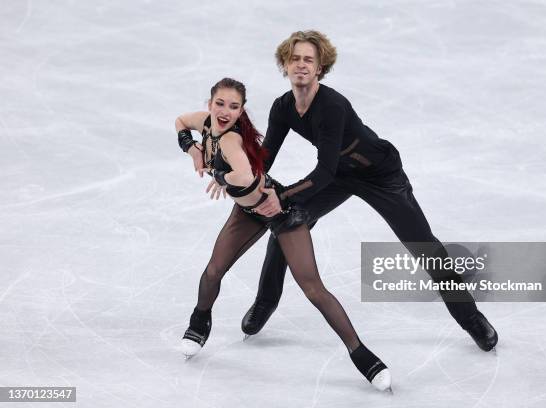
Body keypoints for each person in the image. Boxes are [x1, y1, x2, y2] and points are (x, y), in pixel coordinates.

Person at [239, 30, 498, 352]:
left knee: (423, 245)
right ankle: (265, 301)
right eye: (295, 59)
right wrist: (237, 172)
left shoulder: (332, 105)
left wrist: (284, 195)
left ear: (320, 67)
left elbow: (323, 171)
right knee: (287, 224)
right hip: (339, 175)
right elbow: (264, 159)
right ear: (284, 64)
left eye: (309, 59)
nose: (301, 65)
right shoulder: (283, 107)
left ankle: (470, 317)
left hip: (380, 175)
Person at [175, 78, 392, 392]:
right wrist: (192, 148)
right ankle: (200, 321)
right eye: (220, 104)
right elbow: (180, 122)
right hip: (247, 212)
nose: (225, 111)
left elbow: (244, 175)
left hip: (281, 212)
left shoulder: (231, 141)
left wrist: (220, 175)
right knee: (213, 271)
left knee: (313, 288)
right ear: (209, 104)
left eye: (234, 107)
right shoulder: (204, 123)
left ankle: (361, 354)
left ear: (241, 112)